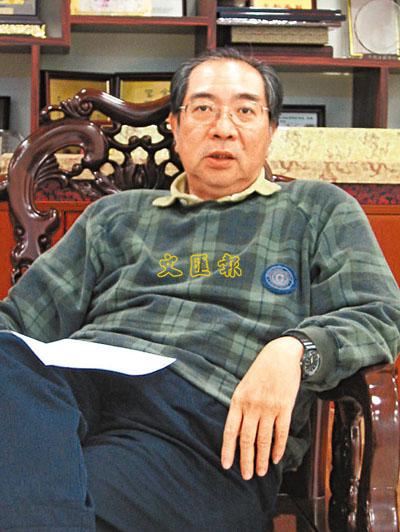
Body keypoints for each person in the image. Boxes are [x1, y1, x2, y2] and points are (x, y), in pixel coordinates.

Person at [0, 47, 399, 532]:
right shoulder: (115, 215)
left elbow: (378, 315)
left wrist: (296, 349)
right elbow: (17, 322)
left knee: (49, 498)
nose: (223, 128)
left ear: (271, 129)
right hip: (79, 387)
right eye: (204, 108)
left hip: (204, 420)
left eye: (245, 111)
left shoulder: (316, 209)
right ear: (175, 124)